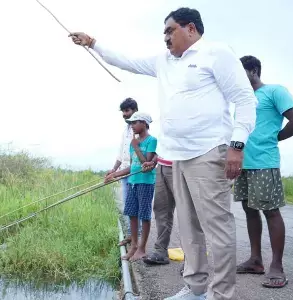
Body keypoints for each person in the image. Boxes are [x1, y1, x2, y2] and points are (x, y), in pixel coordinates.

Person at [69, 7, 257, 300]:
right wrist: (94, 43)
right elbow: (126, 61)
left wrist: (237, 146)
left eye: (170, 31)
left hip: (210, 152)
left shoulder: (217, 54)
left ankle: (220, 294)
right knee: (188, 227)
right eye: (164, 33)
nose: (166, 38)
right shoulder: (164, 61)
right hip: (177, 158)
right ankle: (195, 289)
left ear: (191, 29)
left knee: (217, 227)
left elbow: (244, 99)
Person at [234, 55, 293, 288]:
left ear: (253, 71)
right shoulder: (242, 99)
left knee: (271, 212)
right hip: (244, 163)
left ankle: (277, 266)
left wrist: (274, 138)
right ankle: (256, 260)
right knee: (249, 210)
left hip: (264, 162)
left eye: (241, 72)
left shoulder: (274, 91)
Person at [105, 111, 157, 262]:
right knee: (132, 214)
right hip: (132, 181)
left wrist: (136, 146)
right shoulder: (133, 143)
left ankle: (141, 248)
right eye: (131, 123)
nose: (132, 126)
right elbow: (132, 167)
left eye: (135, 123)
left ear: (144, 123)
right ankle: (133, 245)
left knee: (144, 216)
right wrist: (114, 175)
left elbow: (145, 163)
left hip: (145, 183)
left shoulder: (151, 140)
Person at [106, 98, 141, 246]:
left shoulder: (139, 132)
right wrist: (113, 170)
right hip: (124, 173)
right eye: (123, 112)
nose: (124, 114)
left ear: (135, 111)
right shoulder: (125, 130)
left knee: (134, 206)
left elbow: (135, 164)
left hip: (135, 175)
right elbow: (121, 155)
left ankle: (136, 237)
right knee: (127, 205)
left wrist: (116, 175)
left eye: (126, 111)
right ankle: (130, 235)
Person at [142, 155, 176, 266]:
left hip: (181, 162)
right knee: (161, 209)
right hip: (162, 165)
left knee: (187, 211)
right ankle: (160, 250)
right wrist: (154, 161)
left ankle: (193, 259)